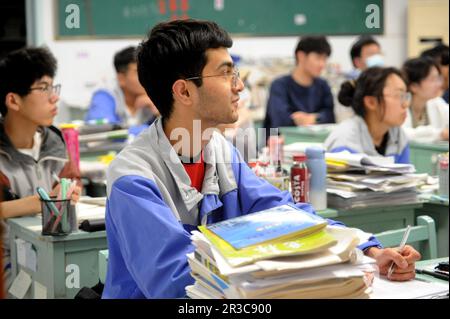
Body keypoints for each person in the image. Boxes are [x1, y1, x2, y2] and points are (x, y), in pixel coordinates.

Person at [104, 20, 420, 299]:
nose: (239, 86)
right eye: (226, 74)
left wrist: (368, 250)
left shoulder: (221, 152)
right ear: (184, 92)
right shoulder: (133, 178)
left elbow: (286, 213)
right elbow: (175, 284)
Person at [0, 47, 81, 289]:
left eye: (53, 88)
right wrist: (34, 203)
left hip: (52, 251)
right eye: (43, 88)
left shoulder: (56, 143)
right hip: (8, 260)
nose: (54, 97)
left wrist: (70, 194)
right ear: (13, 100)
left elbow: (71, 183)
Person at [325, 67, 411, 164]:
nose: (406, 104)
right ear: (371, 102)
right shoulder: (344, 140)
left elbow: (405, 177)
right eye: (398, 95)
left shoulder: (397, 135)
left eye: (406, 96)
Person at [263, 36, 335, 138]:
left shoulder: (323, 86)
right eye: (318, 58)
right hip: (280, 146)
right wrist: (315, 118)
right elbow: (280, 120)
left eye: (325, 59)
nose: (322, 64)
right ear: (301, 56)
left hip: (315, 144)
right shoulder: (279, 85)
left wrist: (312, 118)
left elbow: (330, 116)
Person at [84, 46, 159, 135]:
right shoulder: (104, 96)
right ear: (121, 78)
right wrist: (152, 132)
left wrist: (159, 113)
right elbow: (105, 132)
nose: (147, 77)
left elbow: (170, 133)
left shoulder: (155, 95)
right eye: (138, 72)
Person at [402, 57, 448, 143]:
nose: (439, 84)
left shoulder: (436, 102)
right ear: (414, 86)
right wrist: (440, 134)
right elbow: (402, 134)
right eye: (432, 80)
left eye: (439, 78)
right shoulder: (400, 105)